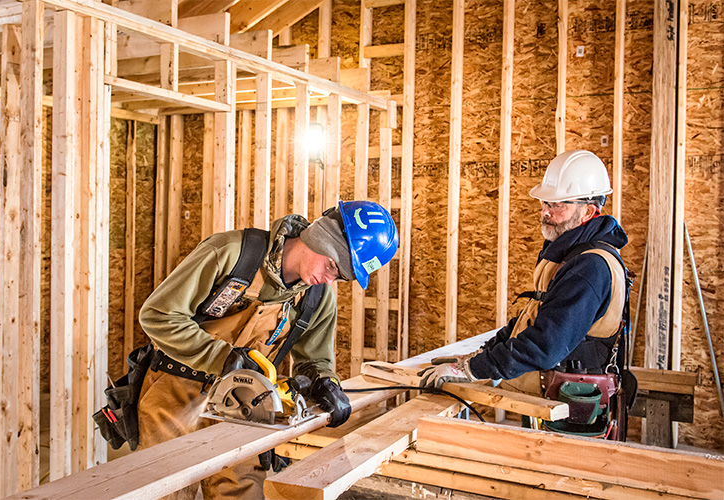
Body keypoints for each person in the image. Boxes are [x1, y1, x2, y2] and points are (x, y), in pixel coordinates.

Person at [136, 200, 398, 500]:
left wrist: (324, 381)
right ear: (320, 237)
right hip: (174, 393)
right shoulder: (231, 254)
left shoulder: (316, 296)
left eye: (340, 277)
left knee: (241, 492)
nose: (329, 280)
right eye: (331, 267)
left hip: (244, 406)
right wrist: (222, 358)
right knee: (166, 491)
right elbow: (158, 315)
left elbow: (314, 358)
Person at [419, 149, 633, 439]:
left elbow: (544, 345)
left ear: (588, 211)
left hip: (573, 414)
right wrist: (478, 356)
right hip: (551, 401)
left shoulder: (590, 267)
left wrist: (472, 370)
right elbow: (532, 317)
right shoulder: (567, 255)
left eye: (558, 205)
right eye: (545, 203)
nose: (546, 212)